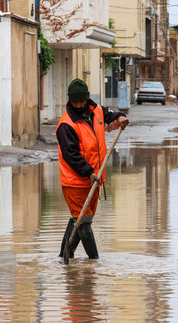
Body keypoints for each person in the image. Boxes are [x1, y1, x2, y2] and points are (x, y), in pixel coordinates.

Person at [57, 78, 129, 259]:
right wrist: (89, 172)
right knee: (84, 223)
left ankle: (65, 255)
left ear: (87, 99)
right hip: (75, 182)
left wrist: (119, 116)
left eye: (82, 101)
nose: (79, 105)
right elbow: (71, 156)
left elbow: (109, 113)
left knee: (79, 219)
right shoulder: (66, 125)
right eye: (76, 101)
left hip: (95, 180)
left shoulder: (95, 109)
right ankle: (95, 263)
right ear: (70, 100)